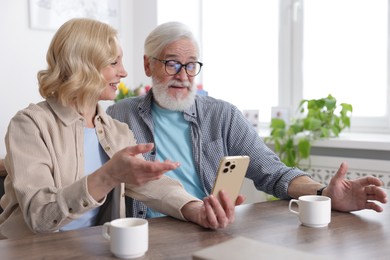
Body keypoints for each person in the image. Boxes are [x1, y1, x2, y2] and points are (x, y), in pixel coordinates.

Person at [107, 21, 387, 219]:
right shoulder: (119, 115)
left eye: (191, 65)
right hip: (144, 232)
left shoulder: (222, 115)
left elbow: (272, 172)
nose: (183, 75)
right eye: (172, 63)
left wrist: (324, 192)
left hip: (206, 227)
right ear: (147, 65)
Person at [0, 18, 238, 240]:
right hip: (32, 250)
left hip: (97, 248)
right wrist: (109, 174)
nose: (123, 72)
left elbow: (148, 183)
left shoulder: (116, 130)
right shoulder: (29, 124)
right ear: (83, 65)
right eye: (114, 62)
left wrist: (195, 208)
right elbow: (40, 215)